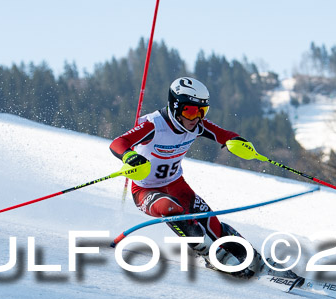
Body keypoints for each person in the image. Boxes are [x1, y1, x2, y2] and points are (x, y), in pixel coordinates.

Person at [109, 76, 263, 278]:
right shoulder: (153, 124)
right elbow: (118, 143)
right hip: (145, 190)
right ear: (174, 106)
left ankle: (255, 260)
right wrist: (130, 156)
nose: (196, 118)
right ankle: (212, 256)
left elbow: (224, 135)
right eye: (189, 111)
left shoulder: (197, 126)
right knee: (171, 208)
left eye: (202, 111)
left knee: (212, 225)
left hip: (177, 185)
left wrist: (237, 142)